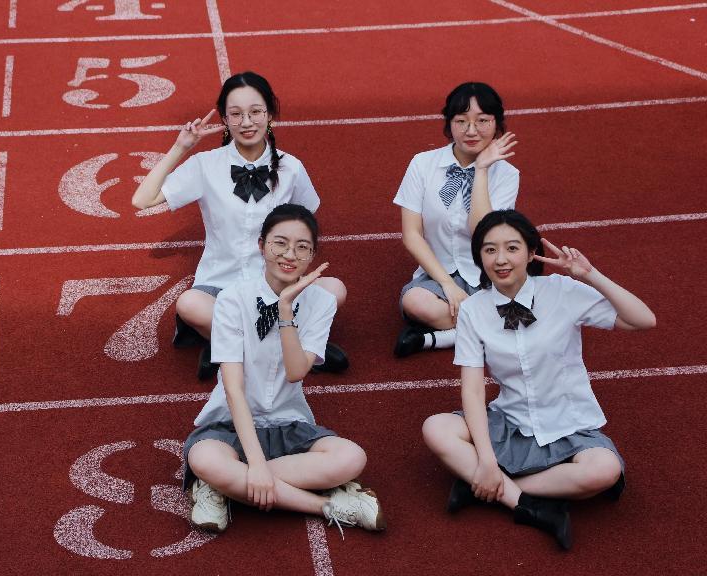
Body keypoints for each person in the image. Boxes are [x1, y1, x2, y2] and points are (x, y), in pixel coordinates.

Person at [422, 209, 656, 549]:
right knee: (436, 428)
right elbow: (472, 390)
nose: (501, 259)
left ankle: (487, 488)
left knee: (604, 470)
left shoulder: (562, 291)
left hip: (569, 424)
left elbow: (643, 320)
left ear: (531, 253)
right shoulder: (474, 309)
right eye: (489, 250)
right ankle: (524, 503)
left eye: (512, 248)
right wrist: (486, 459)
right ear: (479, 257)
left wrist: (591, 275)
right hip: (511, 421)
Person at [181, 204, 385, 535]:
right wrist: (257, 465)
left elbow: (295, 372)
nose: (290, 255)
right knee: (204, 457)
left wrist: (286, 309)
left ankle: (222, 485)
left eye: (302, 247)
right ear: (261, 246)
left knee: (352, 458)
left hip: (288, 423)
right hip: (231, 424)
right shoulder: (233, 299)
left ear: (312, 255)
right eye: (280, 243)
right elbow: (233, 388)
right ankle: (329, 506)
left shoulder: (321, 302)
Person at [132, 71, 348, 379]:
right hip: (221, 286)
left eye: (255, 112)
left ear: (270, 114)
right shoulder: (206, 164)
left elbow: (306, 221)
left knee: (335, 290)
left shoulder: (291, 167)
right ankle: (298, 350)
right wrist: (182, 146)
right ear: (224, 119)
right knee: (190, 304)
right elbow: (142, 200)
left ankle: (228, 347)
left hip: (277, 283)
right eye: (236, 114)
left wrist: (291, 271)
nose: (247, 122)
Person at [393, 82, 519, 357]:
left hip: (488, 273)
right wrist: (448, 285)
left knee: (522, 312)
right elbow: (411, 235)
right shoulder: (422, 164)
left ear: (496, 123)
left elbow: (483, 234)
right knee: (416, 302)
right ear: (449, 124)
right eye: (461, 121)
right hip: (438, 273)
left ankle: (434, 339)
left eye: (482, 121)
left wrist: (481, 170)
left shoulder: (507, 174)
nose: (471, 131)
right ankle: (491, 328)